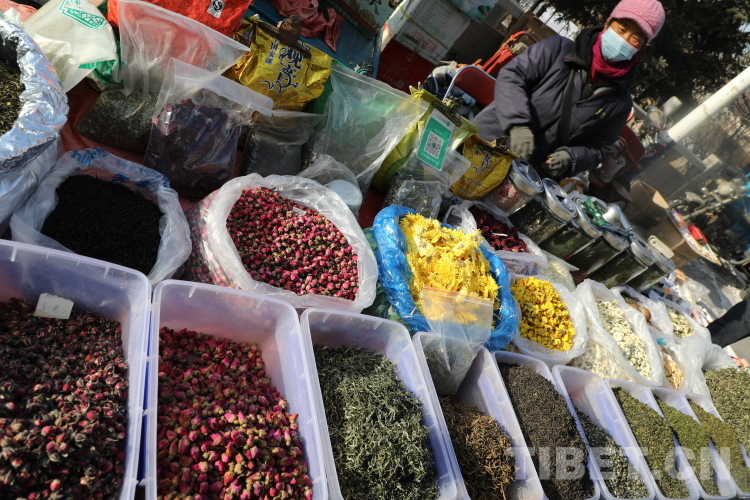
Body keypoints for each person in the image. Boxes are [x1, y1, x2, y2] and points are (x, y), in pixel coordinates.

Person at [472, 0, 665, 179]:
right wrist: (517, 124)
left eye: (635, 39)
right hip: (485, 143)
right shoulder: (557, 49)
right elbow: (513, 77)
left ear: (641, 48)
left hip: (526, 175)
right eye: (622, 29)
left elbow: (599, 148)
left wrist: (571, 157)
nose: (624, 39)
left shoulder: (620, 103)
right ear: (608, 24)